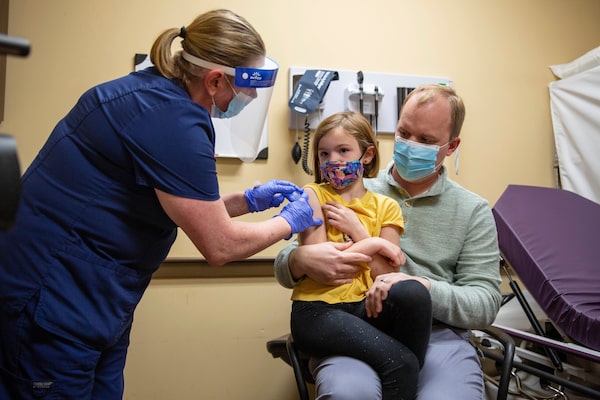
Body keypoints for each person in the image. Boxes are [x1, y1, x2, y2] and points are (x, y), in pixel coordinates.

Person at [0, 9, 321, 400]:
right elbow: (220, 245)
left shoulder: (154, 95)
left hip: (92, 302)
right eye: (248, 85)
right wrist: (290, 220)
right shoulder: (171, 119)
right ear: (214, 80)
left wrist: (249, 201)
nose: (252, 97)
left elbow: (184, 205)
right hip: (53, 300)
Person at [275, 84, 503, 399]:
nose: (411, 145)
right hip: (357, 321)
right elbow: (292, 258)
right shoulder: (350, 186)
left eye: (426, 140)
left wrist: (424, 287)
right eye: (404, 133)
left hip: (439, 334)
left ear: (451, 146)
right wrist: (296, 260)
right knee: (349, 394)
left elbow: (485, 303)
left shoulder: (472, 210)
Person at [290, 111, 432, 400]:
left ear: (367, 155)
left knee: (414, 293)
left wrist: (358, 231)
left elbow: (387, 275)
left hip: (366, 307)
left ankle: (400, 369)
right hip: (319, 311)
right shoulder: (312, 195)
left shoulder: (386, 206)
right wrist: (375, 244)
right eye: (324, 153)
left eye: (343, 150)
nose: (333, 160)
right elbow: (324, 265)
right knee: (402, 364)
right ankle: (401, 366)